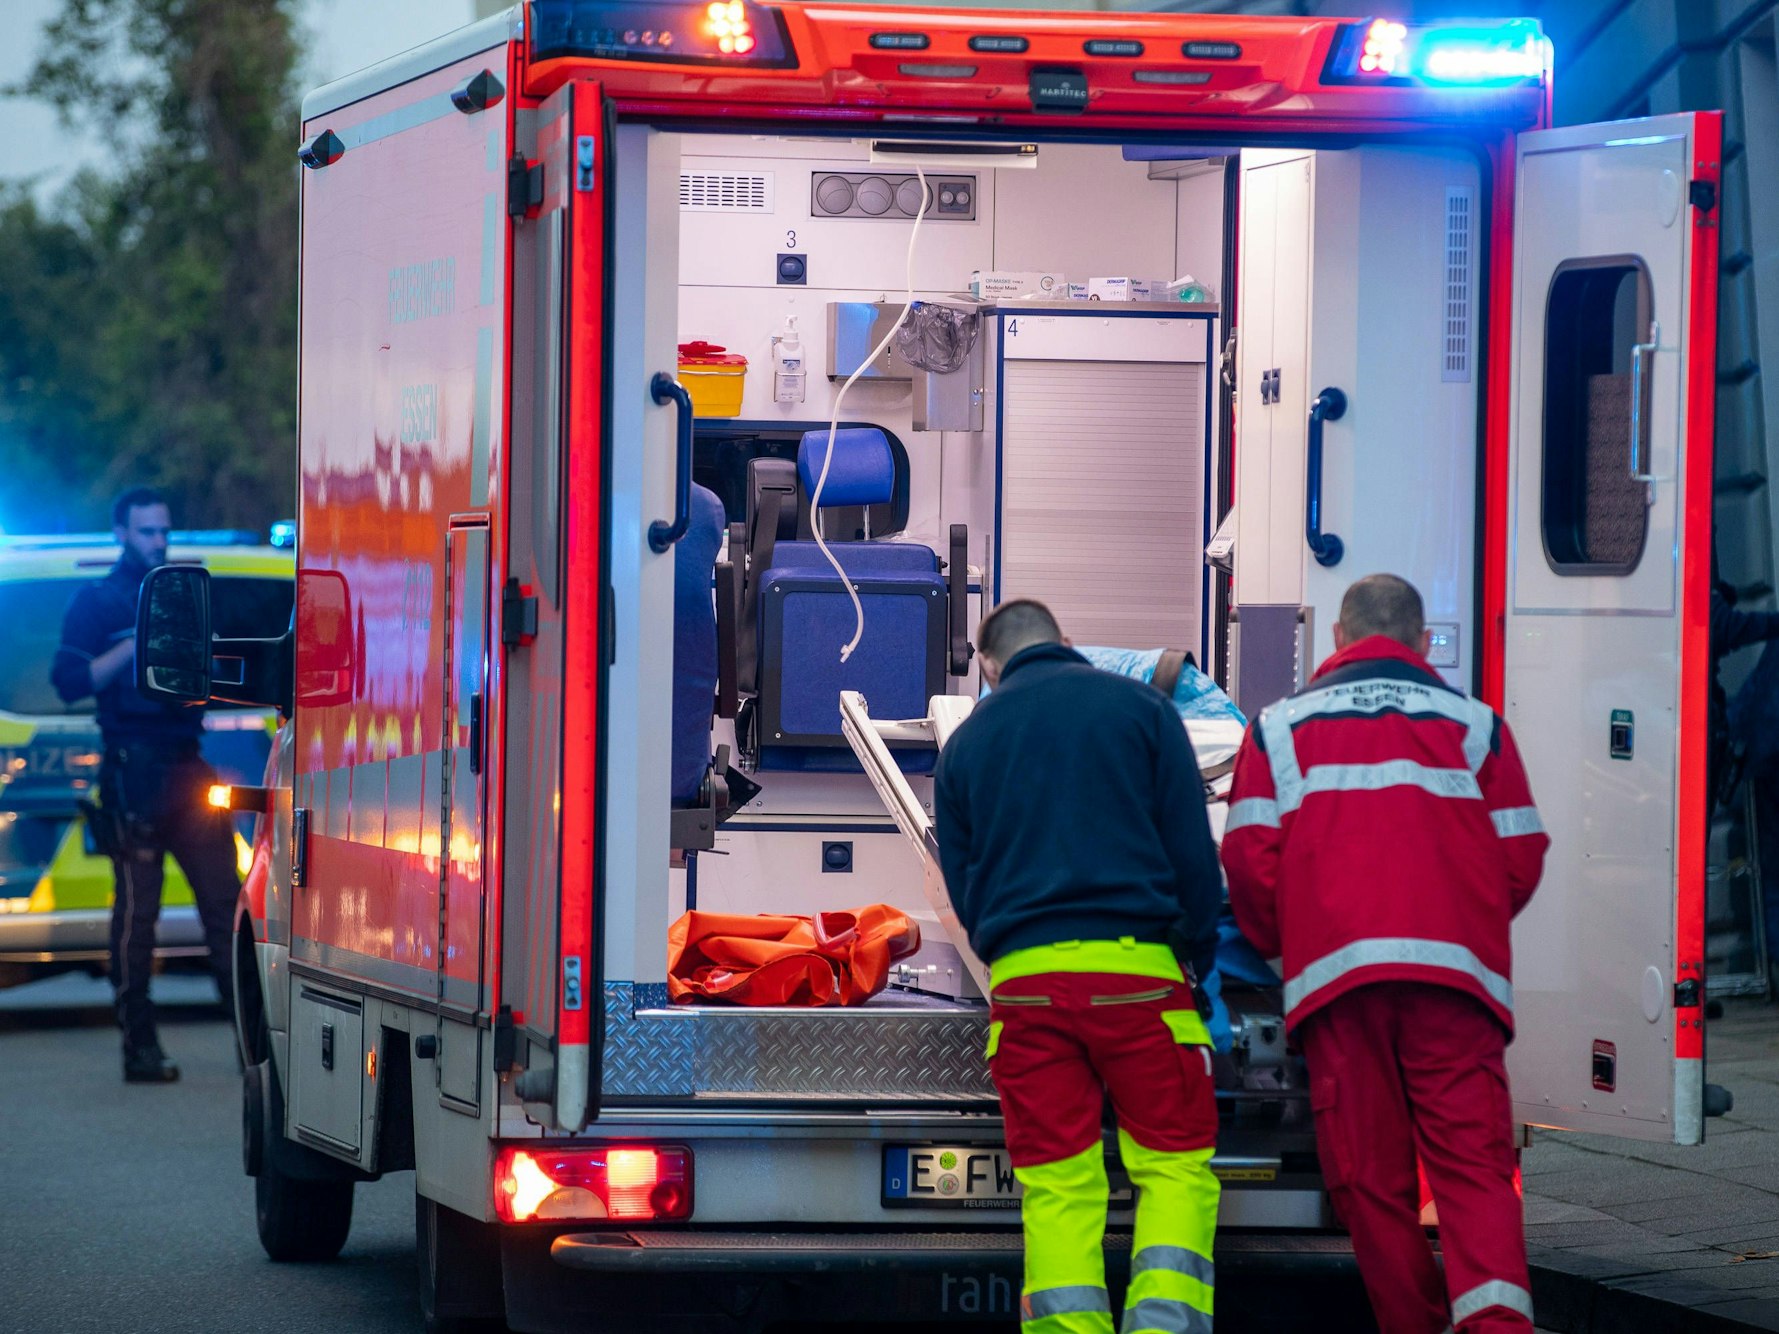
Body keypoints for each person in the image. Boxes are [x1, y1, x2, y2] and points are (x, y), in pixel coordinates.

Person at [1222, 574, 1548, 1334]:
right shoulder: (1476, 725)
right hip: (1454, 987)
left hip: (1338, 987)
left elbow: (1247, 861)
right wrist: (1463, 920)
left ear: (1337, 639)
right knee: (1473, 1170)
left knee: (1369, 1181)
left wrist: (1291, 945)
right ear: (1421, 640)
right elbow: (1521, 853)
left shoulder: (1278, 727)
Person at [934, 599, 1223, 1334]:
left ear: (991, 668)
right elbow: (1194, 857)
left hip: (1027, 990)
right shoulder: (1142, 710)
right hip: (1140, 979)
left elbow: (965, 890)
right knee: (1172, 1166)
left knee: (1056, 1185)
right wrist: (1196, 959)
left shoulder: (967, 745)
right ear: (1067, 643)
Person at [51, 487, 239, 1083]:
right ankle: (139, 1048)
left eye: (163, 531)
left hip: (189, 763)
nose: (158, 541)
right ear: (120, 533)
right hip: (134, 769)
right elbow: (68, 681)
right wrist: (133, 646)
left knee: (226, 910)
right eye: (146, 532)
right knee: (137, 917)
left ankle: (256, 1047)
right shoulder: (99, 600)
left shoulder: (182, 595)